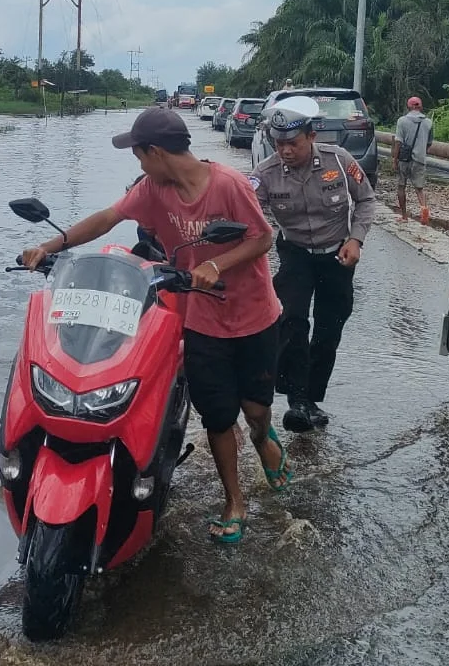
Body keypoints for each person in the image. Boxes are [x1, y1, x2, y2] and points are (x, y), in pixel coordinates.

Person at [19, 107, 289, 545]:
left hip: (253, 317)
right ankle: (234, 502)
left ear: (156, 152)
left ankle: (262, 436)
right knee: (218, 418)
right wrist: (50, 245)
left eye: (139, 155)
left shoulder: (229, 184)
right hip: (199, 320)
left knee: (254, 411)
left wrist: (216, 264)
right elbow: (108, 218)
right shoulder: (153, 189)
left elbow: (262, 238)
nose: (138, 164)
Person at [250, 96, 375, 432]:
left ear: (311, 136)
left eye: (292, 143)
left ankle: (312, 398)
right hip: (295, 253)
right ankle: (297, 398)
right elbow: (248, 214)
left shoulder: (341, 160)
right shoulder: (264, 174)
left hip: (338, 254)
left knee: (328, 328)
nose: (285, 151)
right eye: (278, 144)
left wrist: (356, 239)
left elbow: (366, 200)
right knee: (291, 320)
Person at [392, 96, 433, 225]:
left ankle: (404, 216)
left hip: (404, 159)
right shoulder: (428, 122)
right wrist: (421, 152)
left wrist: (395, 160)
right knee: (419, 189)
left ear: (408, 107)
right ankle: (424, 210)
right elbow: (429, 143)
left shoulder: (402, 121)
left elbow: (398, 142)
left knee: (401, 187)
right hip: (420, 159)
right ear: (420, 107)